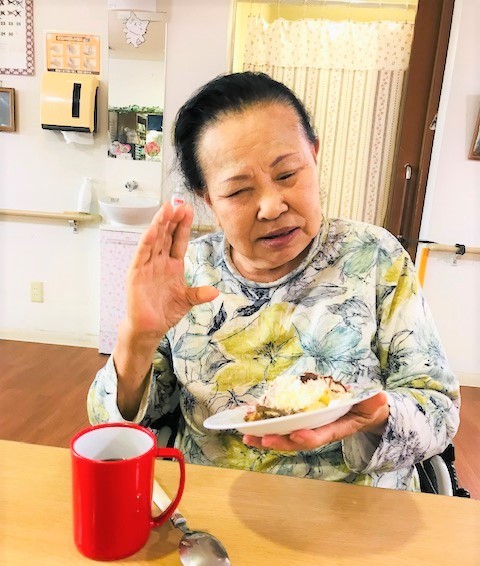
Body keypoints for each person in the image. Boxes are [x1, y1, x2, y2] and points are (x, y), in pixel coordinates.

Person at [88, 71, 460, 490]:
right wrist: (137, 338)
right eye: (238, 191)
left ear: (313, 155)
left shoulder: (373, 257)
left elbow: (438, 409)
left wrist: (378, 417)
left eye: (287, 175)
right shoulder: (186, 274)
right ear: (208, 198)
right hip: (212, 506)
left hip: (354, 505)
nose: (271, 206)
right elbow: (110, 431)